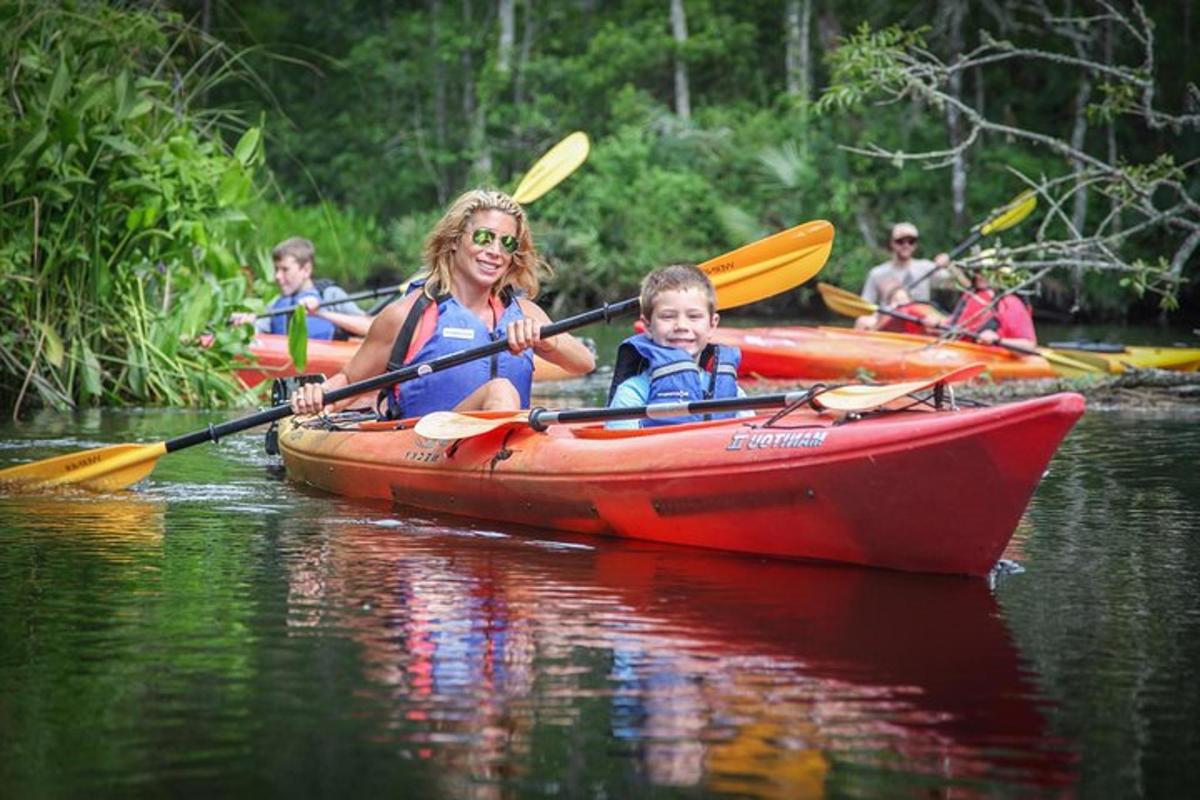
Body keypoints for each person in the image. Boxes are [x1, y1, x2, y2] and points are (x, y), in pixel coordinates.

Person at [290, 189, 595, 417]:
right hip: (427, 447)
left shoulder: (525, 313)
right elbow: (349, 381)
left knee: (503, 392)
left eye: (507, 243)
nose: (495, 251)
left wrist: (546, 342)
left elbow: (584, 363)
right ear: (454, 240)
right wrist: (317, 394)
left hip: (510, 447)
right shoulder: (408, 314)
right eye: (484, 237)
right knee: (500, 389)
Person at [606, 264, 751, 430]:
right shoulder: (632, 394)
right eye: (668, 317)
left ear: (712, 325)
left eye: (694, 316)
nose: (681, 325)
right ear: (647, 326)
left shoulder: (734, 393)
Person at [230, 237, 367, 340]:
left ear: (306, 270)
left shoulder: (330, 295)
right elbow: (257, 330)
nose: (277, 276)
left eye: (285, 270)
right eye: (277, 269)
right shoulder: (276, 303)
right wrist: (244, 323)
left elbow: (369, 328)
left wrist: (320, 313)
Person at [854, 222, 952, 330]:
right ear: (892, 243)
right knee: (863, 321)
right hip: (889, 325)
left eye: (911, 241)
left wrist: (948, 266)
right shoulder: (877, 273)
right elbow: (865, 307)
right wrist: (871, 321)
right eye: (900, 241)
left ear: (915, 244)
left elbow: (955, 283)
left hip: (921, 324)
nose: (906, 245)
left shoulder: (927, 267)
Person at [945, 269, 1038, 350]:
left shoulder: (1011, 303)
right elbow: (952, 326)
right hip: (963, 351)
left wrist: (997, 339)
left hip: (995, 360)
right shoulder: (972, 296)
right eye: (978, 272)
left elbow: (1029, 346)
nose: (979, 276)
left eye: (986, 273)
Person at [871, 278, 946, 335]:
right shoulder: (885, 316)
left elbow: (940, 319)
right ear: (889, 304)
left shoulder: (918, 309)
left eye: (903, 299)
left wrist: (936, 321)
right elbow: (875, 329)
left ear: (910, 301)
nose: (901, 303)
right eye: (896, 300)